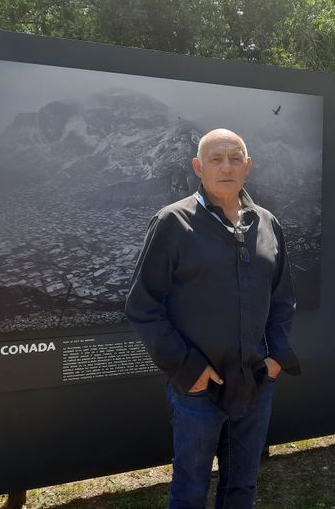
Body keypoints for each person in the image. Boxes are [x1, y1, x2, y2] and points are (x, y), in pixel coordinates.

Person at [125, 128, 301, 509]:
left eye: (234, 158)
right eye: (216, 159)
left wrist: (274, 361)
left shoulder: (267, 224)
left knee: (242, 487)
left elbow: (283, 299)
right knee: (189, 490)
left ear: (248, 166)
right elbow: (143, 306)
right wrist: (188, 369)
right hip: (197, 390)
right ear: (198, 167)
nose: (226, 167)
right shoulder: (173, 222)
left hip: (255, 382)